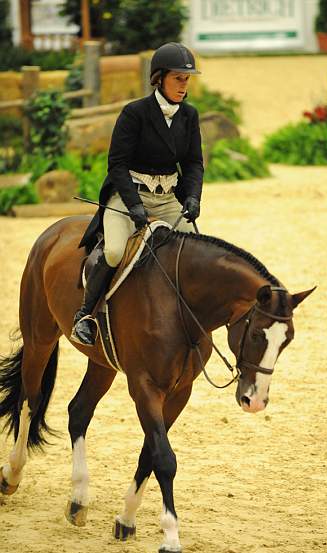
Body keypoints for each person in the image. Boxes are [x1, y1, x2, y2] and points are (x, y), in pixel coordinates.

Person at [71, 42, 204, 346]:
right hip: (130, 195)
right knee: (116, 251)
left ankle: (189, 319)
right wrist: (133, 205)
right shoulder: (135, 113)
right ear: (159, 78)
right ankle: (86, 315)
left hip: (169, 198)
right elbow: (117, 165)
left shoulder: (189, 116)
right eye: (178, 79)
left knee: (195, 252)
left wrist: (193, 197)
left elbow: (194, 162)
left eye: (187, 80)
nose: (184, 86)